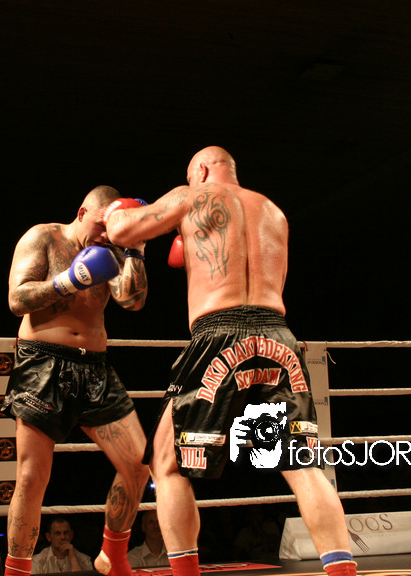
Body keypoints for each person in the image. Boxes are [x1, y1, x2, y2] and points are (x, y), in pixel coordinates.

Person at [104, 146, 356, 576]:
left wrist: (117, 211)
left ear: (201, 170)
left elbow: (122, 231)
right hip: (278, 336)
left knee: (166, 465)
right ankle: (343, 571)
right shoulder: (273, 211)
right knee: (304, 466)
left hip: (218, 334)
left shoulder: (190, 196)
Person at [1, 185, 151, 576]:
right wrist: (70, 280)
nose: (106, 234)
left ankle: (113, 556)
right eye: (102, 225)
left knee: (138, 465)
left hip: (96, 369)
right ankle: (16, 572)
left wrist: (135, 248)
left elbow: (133, 301)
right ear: (83, 212)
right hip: (43, 364)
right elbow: (17, 299)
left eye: (114, 228)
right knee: (32, 478)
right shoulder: (44, 237)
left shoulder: (113, 250)